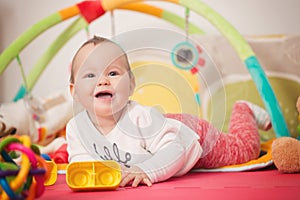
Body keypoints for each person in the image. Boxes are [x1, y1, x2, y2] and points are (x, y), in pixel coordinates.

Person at [66, 36, 272, 188]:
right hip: (164, 129)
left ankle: (244, 110)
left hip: (190, 135)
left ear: (131, 85)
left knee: (244, 150)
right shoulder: (76, 128)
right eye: (90, 75)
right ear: (74, 91)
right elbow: (81, 162)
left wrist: (146, 170)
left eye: (113, 73)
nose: (102, 80)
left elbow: (176, 149)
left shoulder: (139, 117)